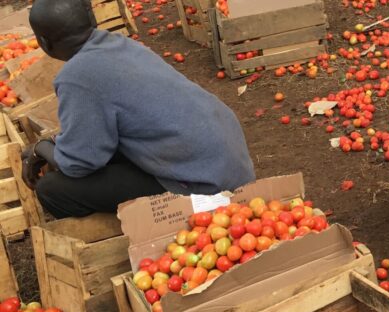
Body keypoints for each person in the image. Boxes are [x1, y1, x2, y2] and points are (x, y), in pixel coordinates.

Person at [21, 0, 255, 218]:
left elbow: (78, 164)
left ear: (44, 42)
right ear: (93, 20)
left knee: (52, 189)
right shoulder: (122, 45)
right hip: (229, 165)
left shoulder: (76, 77)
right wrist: (53, 146)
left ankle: (132, 237)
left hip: (205, 187)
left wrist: (40, 148)